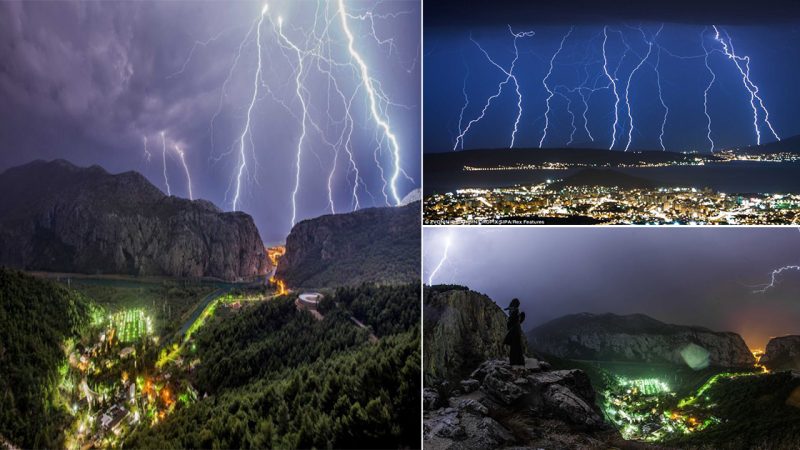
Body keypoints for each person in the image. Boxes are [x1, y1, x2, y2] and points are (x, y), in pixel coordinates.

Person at [503, 298, 526, 365]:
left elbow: (511, 322)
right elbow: (517, 321)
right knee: (517, 347)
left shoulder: (515, 311)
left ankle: (514, 362)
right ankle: (519, 362)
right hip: (517, 330)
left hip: (514, 331)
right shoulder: (516, 311)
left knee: (514, 347)